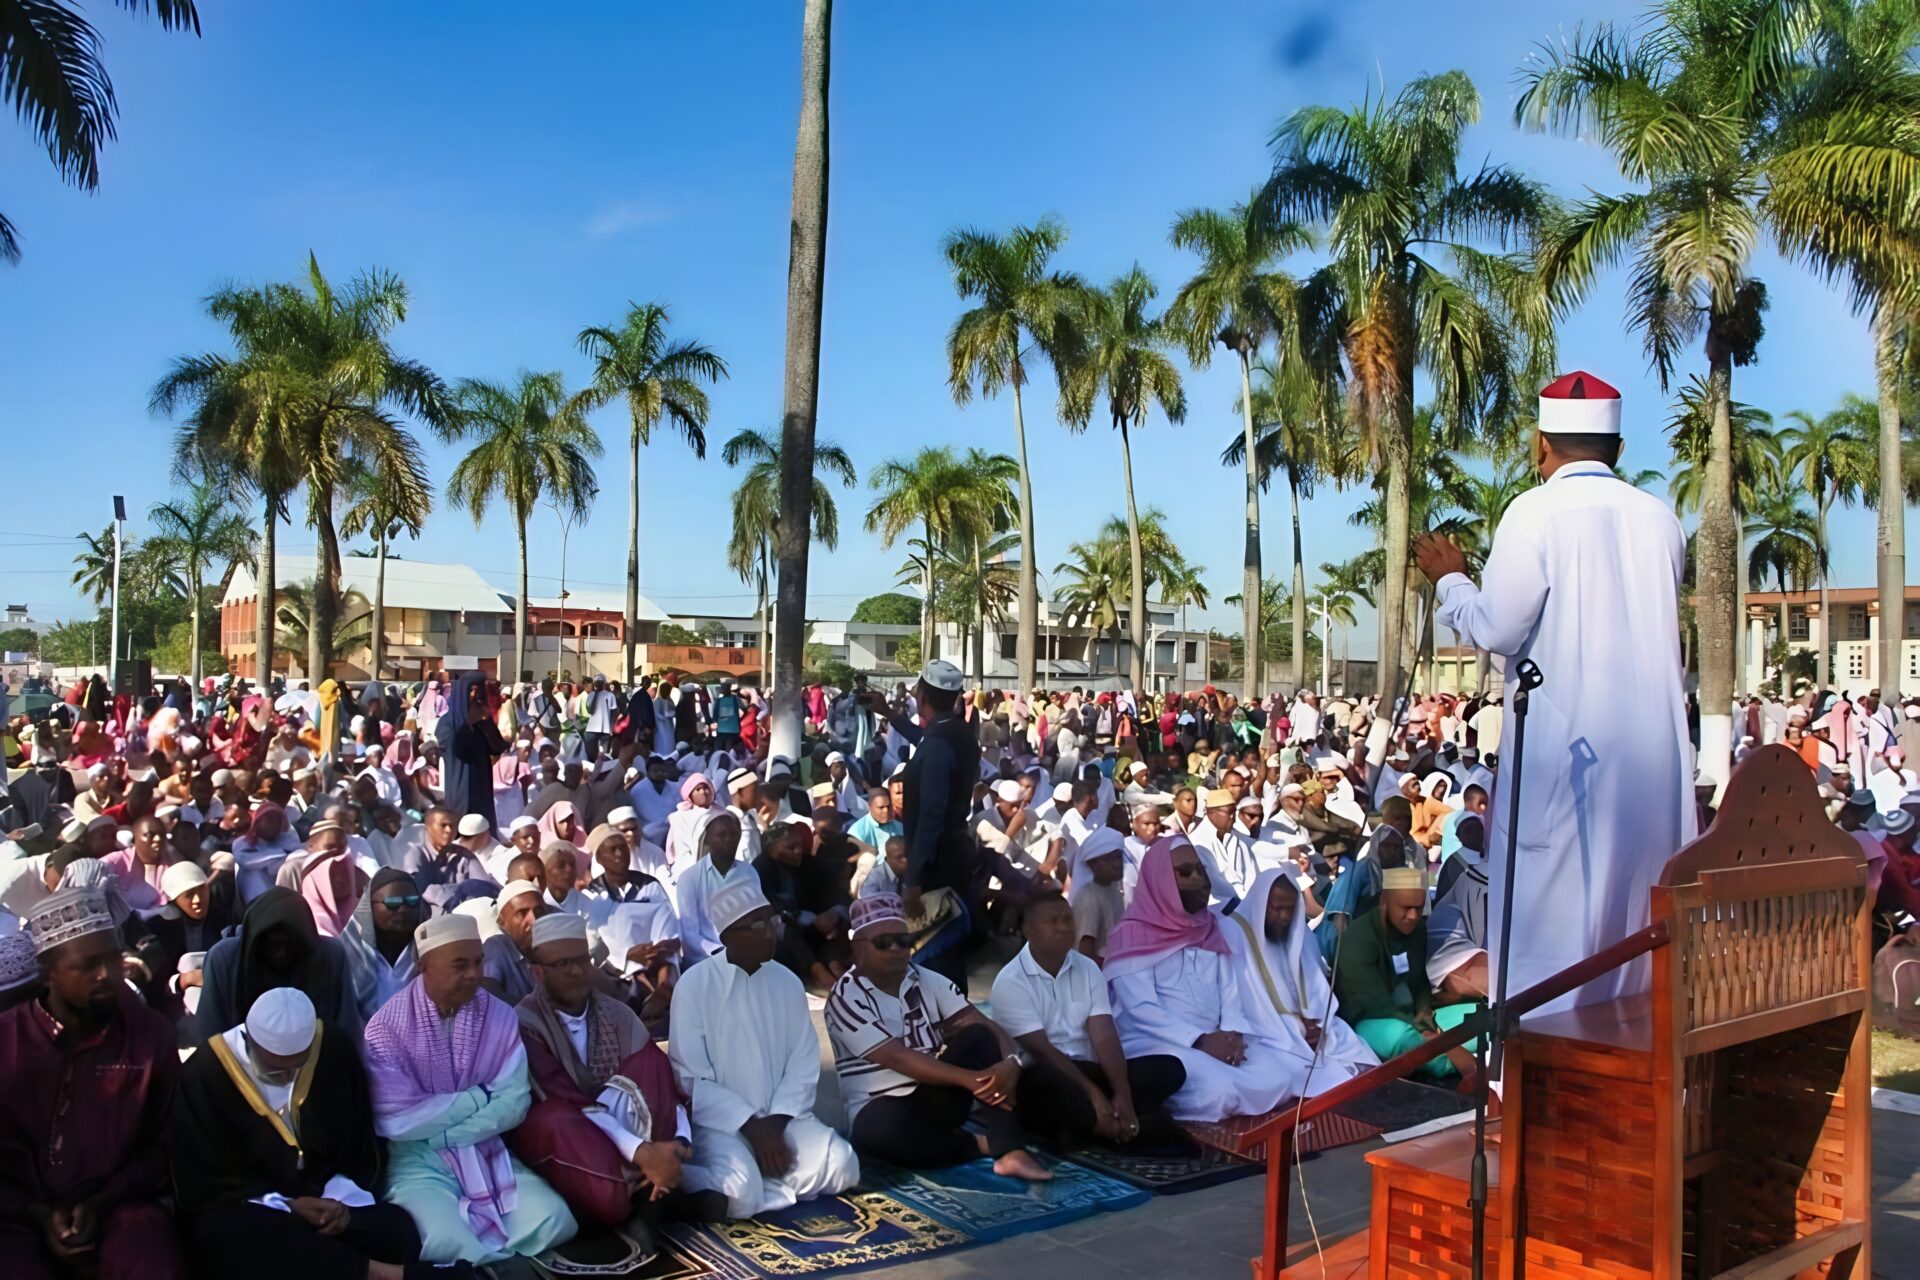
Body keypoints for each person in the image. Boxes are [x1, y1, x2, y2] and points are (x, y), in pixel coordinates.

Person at [1415, 370, 1695, 1013]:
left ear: (1540, 445)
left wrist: (1453, 580)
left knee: (1554, 959)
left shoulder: (1533, 512)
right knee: (1638, 939)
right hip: (1650, 774)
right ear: (1618, 451)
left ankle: (1539, 1102)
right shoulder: (1661, 519)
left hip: (1566, 768)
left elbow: (1499, 627)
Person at [167, 988, 429, 1280]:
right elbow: (204, 1183)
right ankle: (387, 1275)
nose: (287, 1078)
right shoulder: (205, 1072)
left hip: (328, 1201)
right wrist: (286, 1204)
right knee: (230, 1237)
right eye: (275, 1070)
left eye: (296, 1067)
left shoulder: (332, 1049)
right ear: (248, 1039)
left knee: (398, 1229)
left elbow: (356, 1146)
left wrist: (337, 1209)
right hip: (253, 1212)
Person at [364, 914, 575, 1269]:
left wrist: (449, 1131)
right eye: (460, 964)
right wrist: (477, 1096)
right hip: (419, 1163)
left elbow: (514, 1101)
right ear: (425, 966)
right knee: (443, 1241)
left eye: (478, 961)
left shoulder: (500, 1016)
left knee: (555, 1219)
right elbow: (397, 1120)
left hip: (486, 1150)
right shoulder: (385, 1028)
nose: (475, 974)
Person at [0, 888, 185, 1279]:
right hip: (15, 1214)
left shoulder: (151, 1038)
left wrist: (101, 1203)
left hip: (118, 1210)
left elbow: (165, 1147)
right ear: (49, 971)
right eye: (87, 965)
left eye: (112, 959)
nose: (107, 975)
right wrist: (36, 1213)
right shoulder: (6, 1041)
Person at [825, 894, 1051, 1180]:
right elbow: (898, 1058)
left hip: (936, 1094)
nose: (896, 949)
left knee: (979, 1037)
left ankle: (1008, 1148)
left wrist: (1010, 1064)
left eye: (903, 941)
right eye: (884, 942)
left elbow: (982, 1024)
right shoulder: (845, 996)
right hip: (879, 1106)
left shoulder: (926, 979)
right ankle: (988, 1144)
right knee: (885, 1133)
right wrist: (973, 1079)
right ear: (858, 948)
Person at [669, 879, 859, 1217]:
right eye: (757, 926)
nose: (770, 932)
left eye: (771, 921)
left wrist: (775, 1121)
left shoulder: (786, 982)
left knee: (842, 1163)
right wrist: (751, 1125)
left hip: (782, 1118)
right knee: (741, 1192)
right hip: (723, 1125)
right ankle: (698, 1183)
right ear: (727, 936)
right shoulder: (694, 987)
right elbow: (690, 1079)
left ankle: (758, 1186)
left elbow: (803, 1062)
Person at [510, 914, 695, 1239]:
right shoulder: (525, 1023)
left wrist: (680, 1141)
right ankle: (642, 1194)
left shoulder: (617, 1014)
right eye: (564, 963)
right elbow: (563, 1101)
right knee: (554, 1119)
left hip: (627, 1131)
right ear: (538, 972)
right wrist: (642, 1152)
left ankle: (652, 1183)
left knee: (652, 1062)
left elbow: (662, 1085)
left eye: (582, 960)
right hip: (573, 1140)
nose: (577, 971)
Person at [1104, 837, 1298, 1121]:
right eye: (1185, 873)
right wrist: (1199, 1040)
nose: (1199, 880)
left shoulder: (1213, 928)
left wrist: (1229, 1036)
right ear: (1160, 881)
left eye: (1200, 870)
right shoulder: (1131, 935)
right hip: (1156, 1041)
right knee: (1220, 1092)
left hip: (1216, 1038)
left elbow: (1231, 991)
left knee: (1281, 1076)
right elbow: (1141, 1010)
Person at [990, 893, 1186, 1148]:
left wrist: (1121, 1092)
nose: (1063, 928)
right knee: (1047, 1087)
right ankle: (1117, 1128)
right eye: (1052, 921)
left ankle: (1096, 1125)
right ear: (1029, 930)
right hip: (1045, 1077)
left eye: (1068, 919)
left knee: (1170, 1069)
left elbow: (1104, 1034)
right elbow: (1043, 1052)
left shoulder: (1088, 968)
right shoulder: (1010, 981)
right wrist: (1093, 1093)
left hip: (1090, 1071)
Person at [1223, 869, 1380, 1094]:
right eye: (1277, 909)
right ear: (1260, 905)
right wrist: (1297, 1028)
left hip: (1317, 1027)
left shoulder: (1300, 933)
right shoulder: (1234, 934)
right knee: (1293, 1074)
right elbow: (1241, 1007)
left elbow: (1318, 990)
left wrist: (1317, 1024)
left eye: (1290, 909)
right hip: (1268, 1035)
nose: (1285, 917)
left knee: (1362, 1056)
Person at [1333, 867, 1479, 1081]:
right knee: (1402, 1038)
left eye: (1418, 908)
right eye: (1405, 907)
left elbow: (1420, 984)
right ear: (1384, 903)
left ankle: (1442, 1054)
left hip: (1418, 1020)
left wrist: (1426, 1018)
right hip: (1372, 1021)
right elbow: (1377, 1005)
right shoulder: (1358, 939)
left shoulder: (1418, 930)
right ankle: (1459, 1066)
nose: (1412, 916)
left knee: (1481, 1015)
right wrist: (1427, 1033)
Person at [898, 661, 982, 984]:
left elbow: (931, 814)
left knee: (934, 953)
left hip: (936, 863)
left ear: (922, 697)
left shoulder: (936, 746)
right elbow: (926, 737)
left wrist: (914, 879)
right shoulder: (960, 733)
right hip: (954, 851)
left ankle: (943, 1022)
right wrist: (892, 718)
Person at [198, 886, 361, 1042]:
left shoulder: (329, 955)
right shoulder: (225, 960)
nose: (282, 953)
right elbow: (211, 1036)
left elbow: (347, 1029)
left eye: (289, 945)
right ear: (256, 942)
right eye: (274, 945)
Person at [339, 867, 424, 1018]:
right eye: (393, 903)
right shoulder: (346, 953)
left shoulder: (430, 950)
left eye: (412, 902)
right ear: (369, 906)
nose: (404, 909)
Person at [481, 878, 544, 1005]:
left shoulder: (553, 946)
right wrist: (536, 1013)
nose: (534, 920)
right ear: (501, 922)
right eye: (522, 913)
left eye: (539, 911)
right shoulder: (497, 947)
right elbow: (487, 993)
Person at [1068, 828, 1127, 960]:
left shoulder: (1114, 889)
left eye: (1118, 857)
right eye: (1108, 859)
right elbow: (1085, 952)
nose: (1117, 864)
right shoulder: (1089, 896)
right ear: (1091, 864)